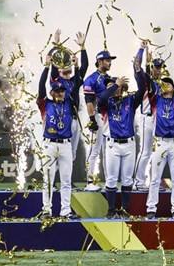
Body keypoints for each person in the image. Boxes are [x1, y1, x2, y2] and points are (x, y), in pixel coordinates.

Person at [97, 56, 146, 218]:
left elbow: (143, 88)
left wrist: (137, 70)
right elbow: (102, 98)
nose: (114, 88)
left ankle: (125, 210)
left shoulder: (130, 101)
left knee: (126, 179)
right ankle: (110, 211)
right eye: (111, 86)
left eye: (116, 86)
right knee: (111, 179)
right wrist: (114, 85)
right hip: (112, 145)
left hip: (129, 145)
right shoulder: (105, 104)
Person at [143, 67, 174, 219]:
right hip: (160, 143)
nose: (165, 85)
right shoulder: (156, 100)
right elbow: (148, 83)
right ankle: (151, 208)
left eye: (168, 83)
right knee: (155, 177)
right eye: (163, 84)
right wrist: (148, 65)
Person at [37, 52, 81, 219]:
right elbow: (41, 87)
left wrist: (76, 67)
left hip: (65, 145)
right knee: (48, 179)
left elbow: (76, 85)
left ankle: (65, 211)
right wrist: (46, 67)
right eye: (57, 91)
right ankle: (47, 210)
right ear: (52, 92)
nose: (61, 93)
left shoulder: (70, 104)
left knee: (66, 181)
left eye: (62, 91)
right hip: (49, 144)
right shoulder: (44, 104)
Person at [48, 29, 88, 162]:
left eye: (69, 71)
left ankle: (67, 182)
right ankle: (53, 182)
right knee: (58, 150)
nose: (68, 73)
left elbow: (84, 66)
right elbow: (52, 63)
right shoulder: (56, 81)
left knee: (72, 152)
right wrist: (56, 45)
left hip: (74, 119)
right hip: (61, 119)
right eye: (65, 71)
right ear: (59, 70)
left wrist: (82, 48)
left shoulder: (74, 82)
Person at [83, 49, 116, 191]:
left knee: (107, 150)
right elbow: (89, 100)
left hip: (109, 117)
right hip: (97, 116)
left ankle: (109, 182)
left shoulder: (108, 78)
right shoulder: (91, 79)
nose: (109, 62)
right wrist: (92, 119)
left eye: (110, 60)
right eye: (107, 60)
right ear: (100, 61)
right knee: (94, 150)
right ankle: (90, 181)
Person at [133, 45, 163, 191]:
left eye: (160, 67)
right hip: (147, 118)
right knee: (145, 151)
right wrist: (141, 49)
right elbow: (137, 65)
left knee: (157, 152)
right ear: (151, 68)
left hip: (159, 121)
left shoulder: (162, 84)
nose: (158, 69)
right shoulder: (145, 80)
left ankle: (153, 181)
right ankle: (138, 182)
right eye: (156, 67)